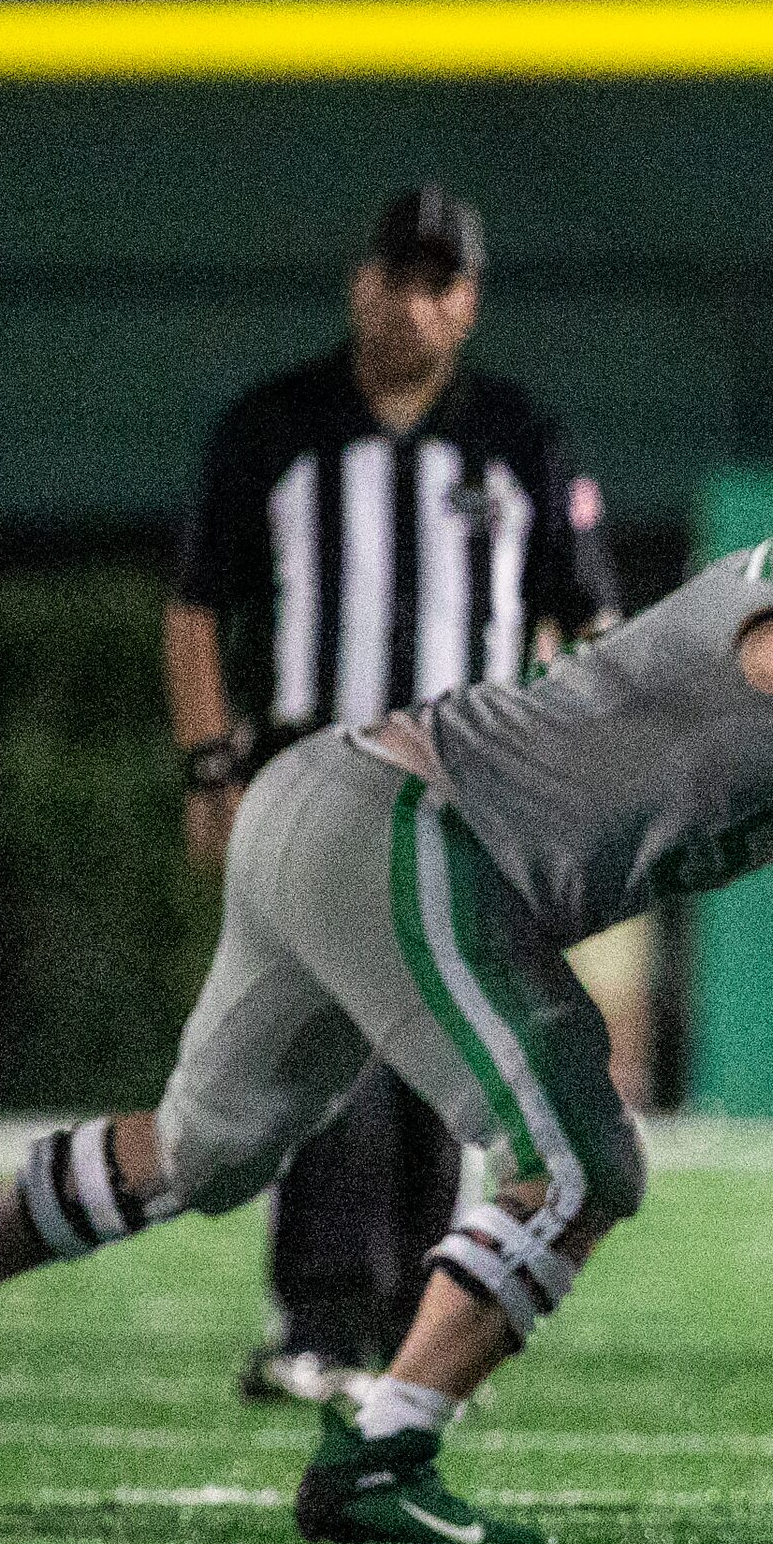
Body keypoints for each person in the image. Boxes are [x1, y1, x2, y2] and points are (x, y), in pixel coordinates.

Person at [0, 534, 773, 1543]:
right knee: (578, 1160)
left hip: (333, 813)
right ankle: (381, 1450)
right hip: (407, 825)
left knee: (201, 1151)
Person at [165, 183, 623, 1404]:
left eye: (440, 284)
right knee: (324, 1051)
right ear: (359, 282)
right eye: (397, 278)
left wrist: (564, 774)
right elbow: (196, 605)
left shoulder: (518, 435)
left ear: (466, 302)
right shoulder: (274, 426)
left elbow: (590, 621)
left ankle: (407, 1328)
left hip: (467, 785)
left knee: (446, 1056)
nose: (414, 305)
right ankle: (321, 1319)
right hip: (317, 777)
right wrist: (210, 771)